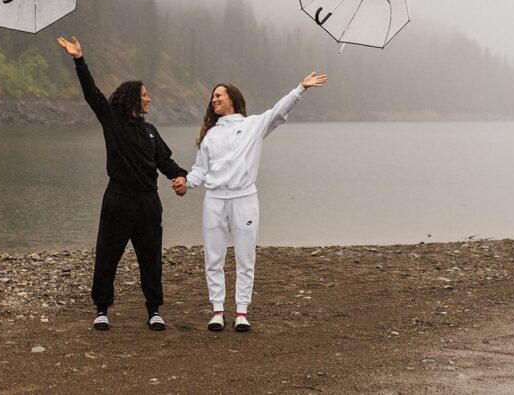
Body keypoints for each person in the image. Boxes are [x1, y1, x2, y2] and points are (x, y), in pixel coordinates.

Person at [173, 71, 328, 332]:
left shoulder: (253, 125)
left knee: (245, 257)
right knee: (213, 258)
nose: (213, 100)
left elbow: (278, 112)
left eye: (218, 95)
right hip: (214, 200)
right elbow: (200, 168)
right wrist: (186, 182)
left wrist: (300, 88)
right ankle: (218, 311)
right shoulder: (210, 135)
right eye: (212, 97)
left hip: (244, 198)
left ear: (232, 98)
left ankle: (241, 312)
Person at [57, 35, 188, 331]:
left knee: (151, 257)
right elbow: (92, 94)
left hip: (148, 202)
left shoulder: (151, 131)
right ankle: (101, 309)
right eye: (145, 95)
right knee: (107, 254)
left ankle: (154, 310)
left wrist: (181, 177)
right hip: (118, 199)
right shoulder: (112, 122)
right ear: (132, 98)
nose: (149, 99)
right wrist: (79, 59)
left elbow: (166, 162)